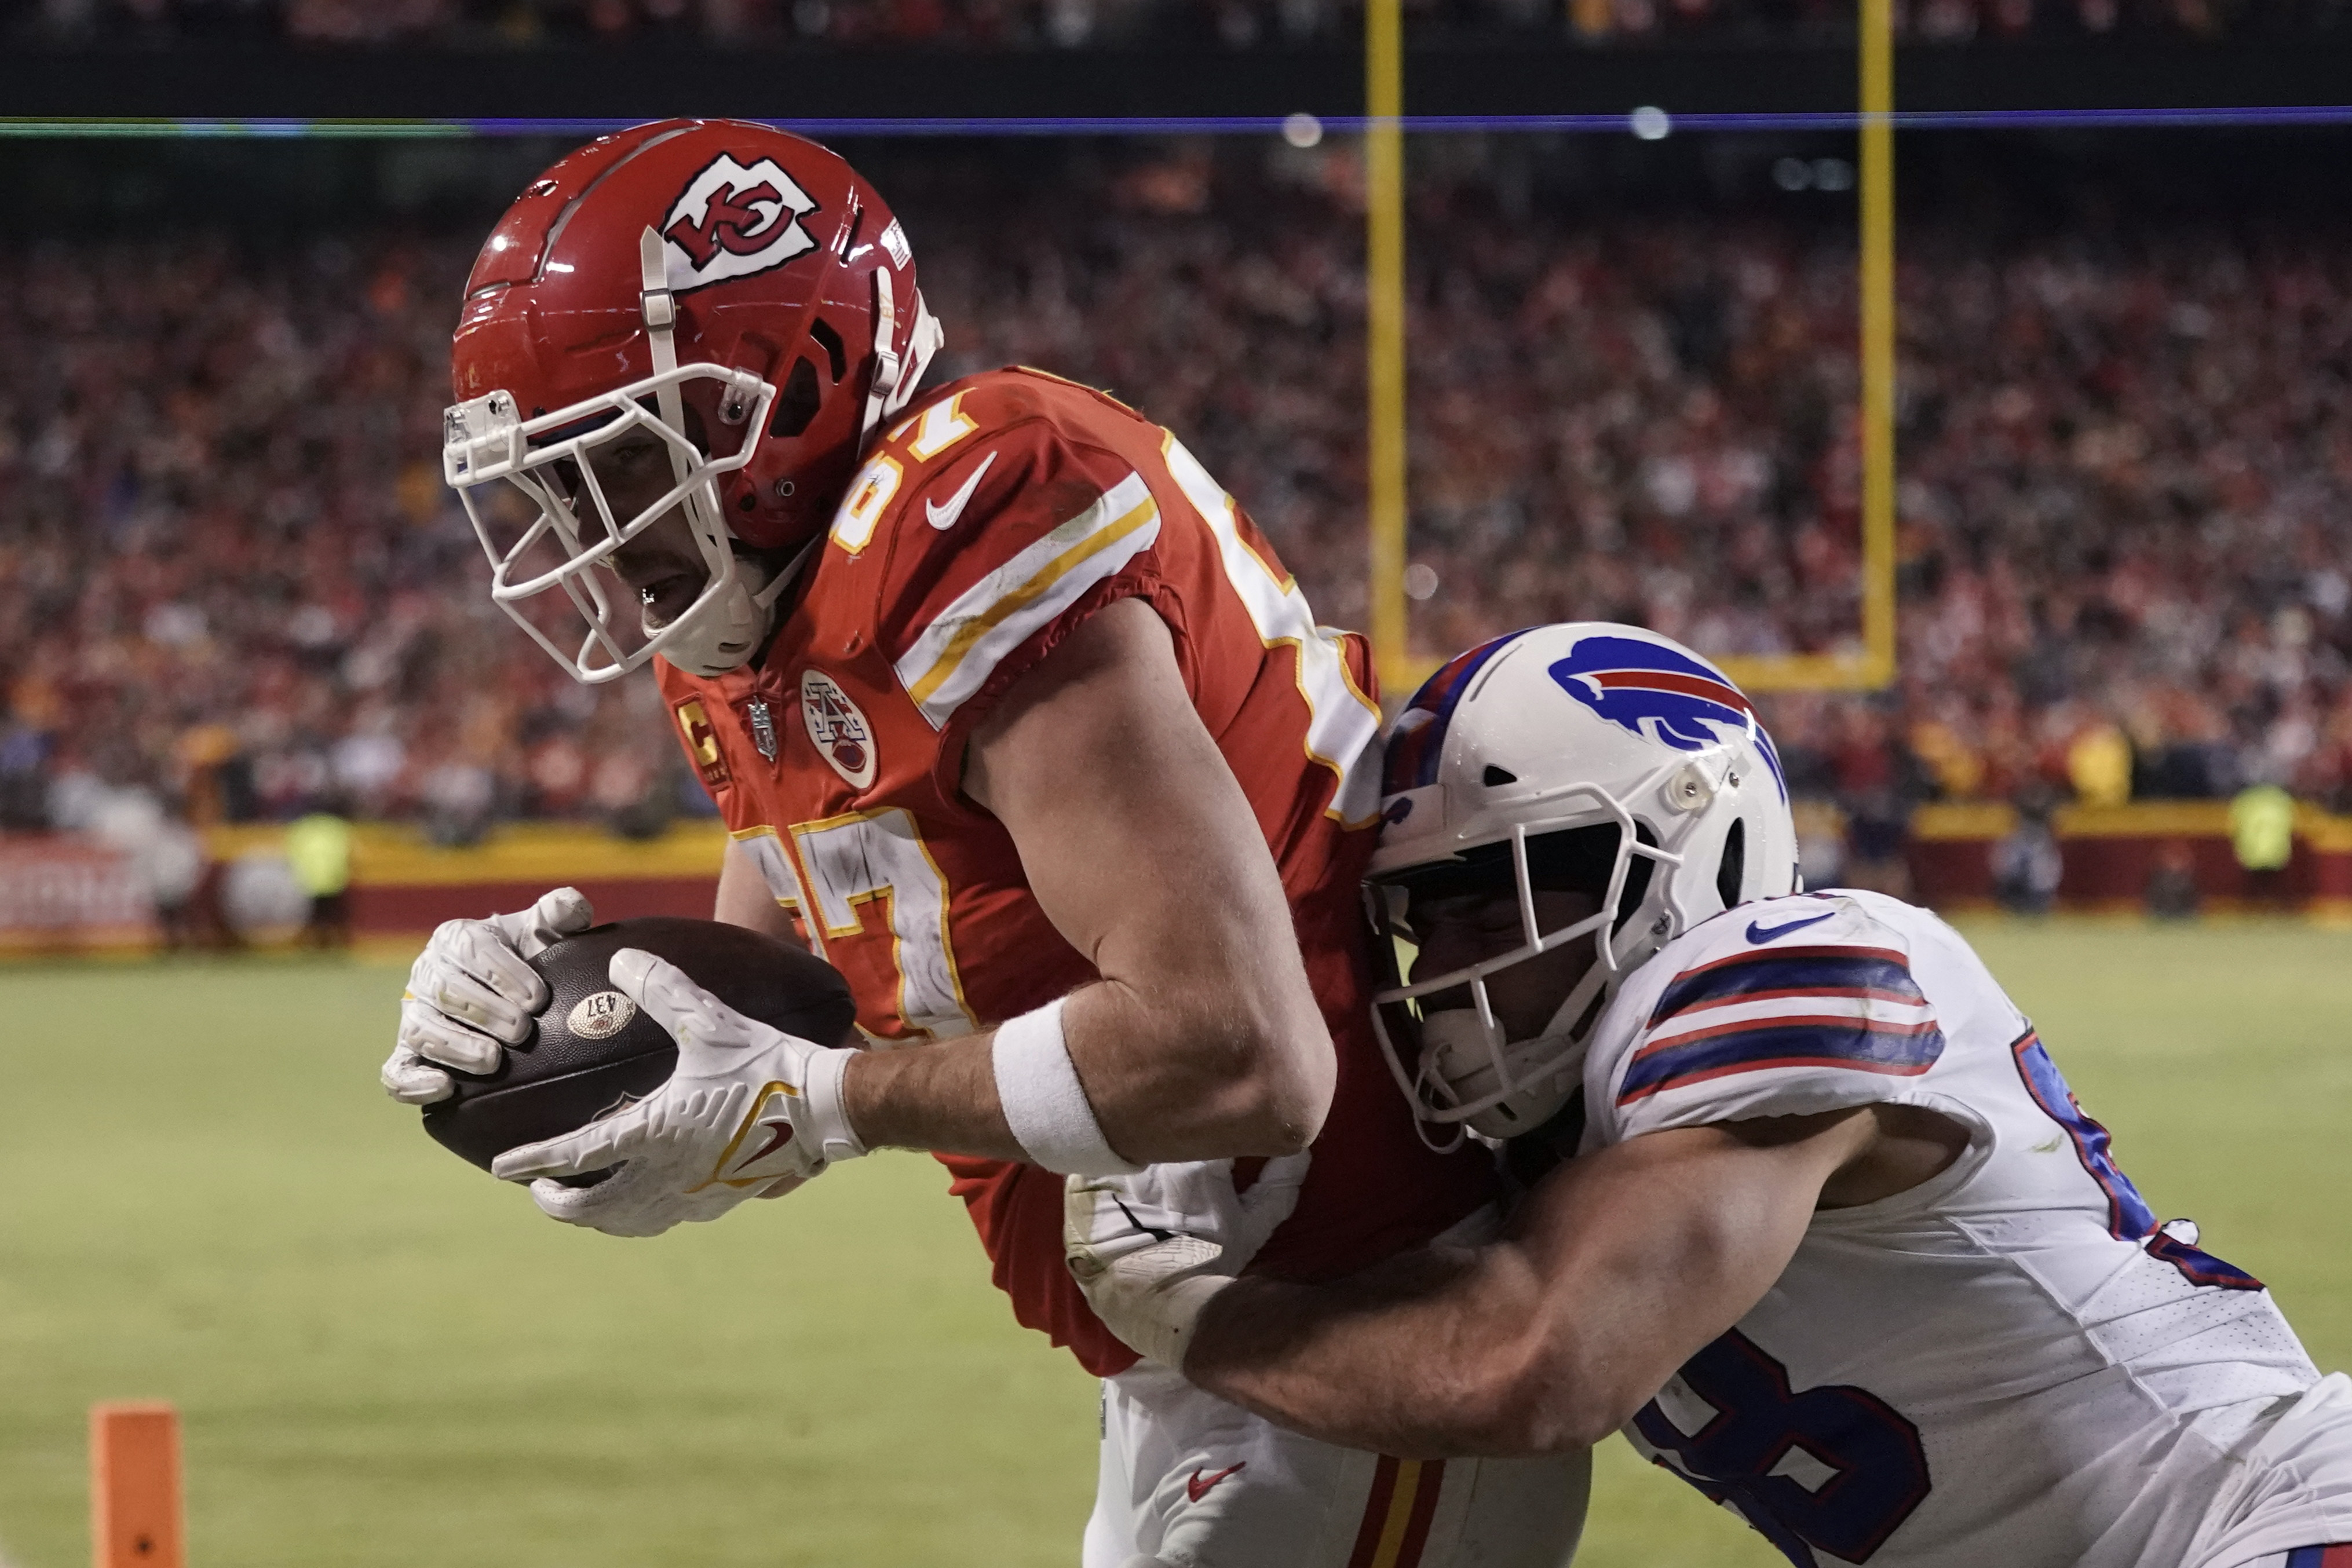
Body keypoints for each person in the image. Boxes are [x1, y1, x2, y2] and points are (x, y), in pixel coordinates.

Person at [379, 119, 1583, 1566]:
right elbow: (771, 1021)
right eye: (555, 480)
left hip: (1359, 1314)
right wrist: (550, 1016)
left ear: (783, 396)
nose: (576, 524)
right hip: (1198, 1351)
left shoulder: (971, 512)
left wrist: (822, 1105)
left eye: (613, 464)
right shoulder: (750, 625)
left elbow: (1239, 1047)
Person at [1067, 622, 2352, 1568]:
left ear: (1692, 841)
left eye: (1498, 898)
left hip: (2266, 1519)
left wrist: (1191, 1311)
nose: (1451, 970)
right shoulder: (1557, 1137)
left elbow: (1531, 1368)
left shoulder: (1797, 968)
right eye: (1426, 926)